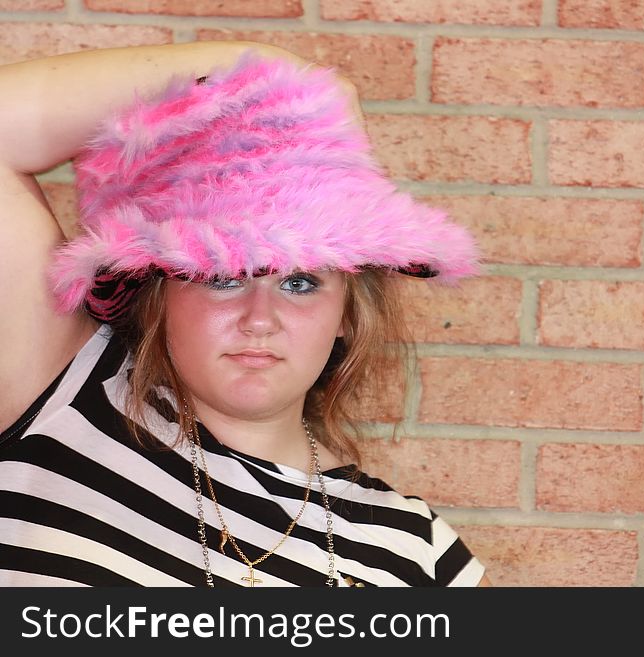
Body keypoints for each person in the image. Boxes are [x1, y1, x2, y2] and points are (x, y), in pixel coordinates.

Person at [0, 40, 489, 587]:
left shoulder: (413, 551)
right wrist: (268, 69)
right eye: (223, 276)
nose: (261, 318)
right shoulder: (65, 397)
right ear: (158, 291)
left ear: (348, 313)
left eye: (301, 283)